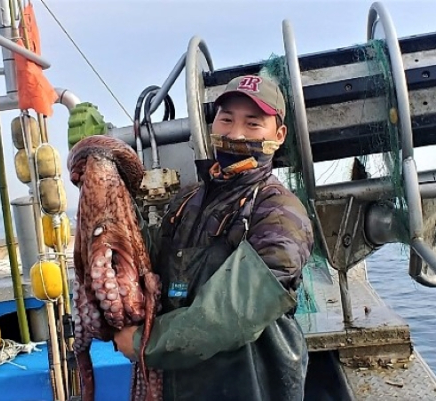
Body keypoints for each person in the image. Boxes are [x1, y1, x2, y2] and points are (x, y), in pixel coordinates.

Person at [114, 74, 315, 401]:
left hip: (252, 388)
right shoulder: (187, 201)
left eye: (253, 124)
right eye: (226, 120)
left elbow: (230, 315)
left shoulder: (280, 213)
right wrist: (115, 203)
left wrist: (142, 344)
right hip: (185, 386)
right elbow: (149, 258)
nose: (235, 134)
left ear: (278, 136)